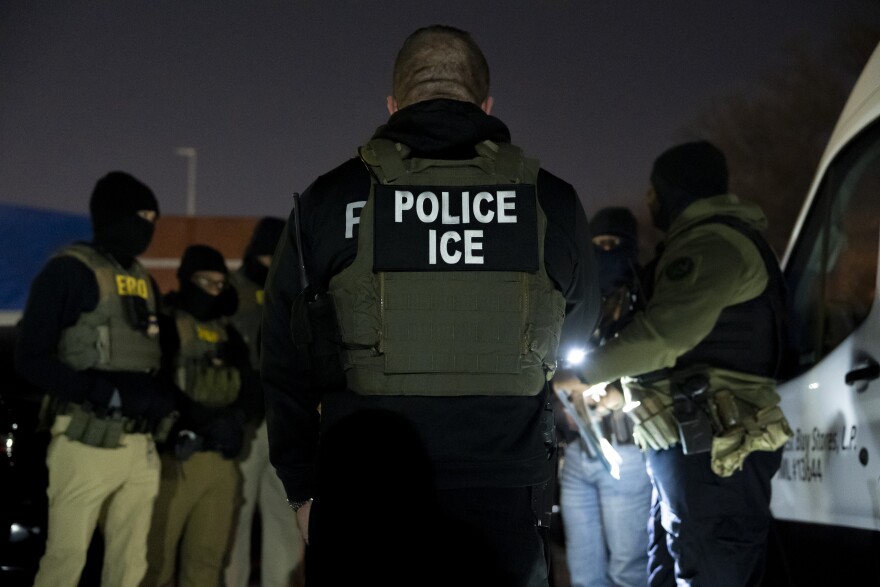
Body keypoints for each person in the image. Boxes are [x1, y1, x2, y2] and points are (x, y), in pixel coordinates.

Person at [260, 24, 601, 587]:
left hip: (363, 500)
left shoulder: (329, 197)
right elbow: (576, 327)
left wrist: (302, 488)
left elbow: (282, 358)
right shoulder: (552, 200)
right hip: (505, 497)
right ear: (486, 104)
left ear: (393, 105)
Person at [553, 140, 793, 587]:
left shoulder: (710, 244)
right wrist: (621, 392)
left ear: (674, 189)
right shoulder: (703, 243)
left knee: (706, 572)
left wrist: (579, 376)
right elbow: (688, 350)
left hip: (713, 454)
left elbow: (667, 335)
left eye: (654, 190)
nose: (649, 201)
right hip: (691, 450)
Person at [14, 171, 178, 587]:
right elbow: (30, 357)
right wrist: (100, 390)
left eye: (154, 216)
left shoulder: (143, 280)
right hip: (86, 437)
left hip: (140, 443)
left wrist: (161, 401)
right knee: (65, 563)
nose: (149, 225)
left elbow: (154, 358)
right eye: (141, 214)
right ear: (113, 215)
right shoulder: (70, 270)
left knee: (130, 565)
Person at [142, 244, 261, 587]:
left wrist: (236, 420)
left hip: (220, 462)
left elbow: (252, 388)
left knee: (207, 564)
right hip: (175, 461)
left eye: (220, 283)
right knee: (157, 564)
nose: (212, 290)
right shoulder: (166, 324)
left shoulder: (229, 334)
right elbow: (158, 384)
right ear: (186, 280)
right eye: (204, 281)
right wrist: (203, 421)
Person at [553, 206, 652, 587]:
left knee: (628, 571)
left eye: (614, 244)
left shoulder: (643, 302)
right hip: (578, 454)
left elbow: (645, 366)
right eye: (597, 244)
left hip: (625, 455)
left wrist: (607, 391)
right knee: (584, 573)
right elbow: (558, 374)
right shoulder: (579, 304)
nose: (605, 252)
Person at [225, 217, 305, 587]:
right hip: (246, 422)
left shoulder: (289, 294)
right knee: (233, 521)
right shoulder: (235, 293)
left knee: (282, 523)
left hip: (278, 422)